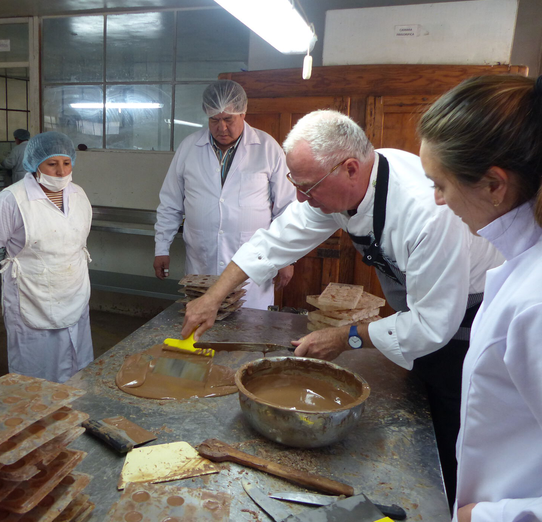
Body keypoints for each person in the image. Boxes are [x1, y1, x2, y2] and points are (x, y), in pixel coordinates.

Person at [182, 109, 503, 507]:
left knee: (447, 437)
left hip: (468, 330)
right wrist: (213, 296)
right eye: (294, 184)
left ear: (350, 168)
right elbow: (275, 240)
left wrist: (347, 336)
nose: (300, 197)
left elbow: (432, 325)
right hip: (421, 315)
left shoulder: (427, 212)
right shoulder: (345, 184)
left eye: (308, 186)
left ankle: (449, 506)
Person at [418, 74, 542, 522]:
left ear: (494, 185)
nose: (435, 199)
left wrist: (493, 516)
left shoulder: (536, 303)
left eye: (441, 183)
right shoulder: (519, 266)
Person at [154, 80, 296, 310]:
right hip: (202, 265)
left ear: (243, 113)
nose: (222, 128)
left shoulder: (268, 148)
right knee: (202, 330)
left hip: (252, 268)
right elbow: (170, 203)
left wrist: (287, 258)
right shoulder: (189, 148)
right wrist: (161, 248)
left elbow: (287, 207)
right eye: (214, 120)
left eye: (228, 119)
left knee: (248, 334)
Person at [0, 131, 94, 383]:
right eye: (52, 164)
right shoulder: (11, 200)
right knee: (37, 374)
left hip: (73, 289)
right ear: (35, 163)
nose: (61, 172)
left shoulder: (78, 194)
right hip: (33, 296)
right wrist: (29, 272)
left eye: (66, 163)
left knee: (77, 366)